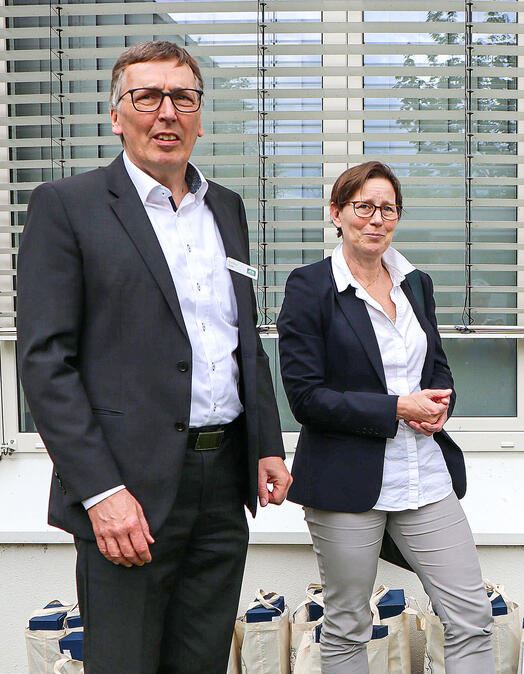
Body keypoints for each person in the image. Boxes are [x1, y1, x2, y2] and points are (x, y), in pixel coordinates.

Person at [16, 41, 292, 673]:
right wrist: (100, 491)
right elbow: (45, 363)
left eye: (183, 98)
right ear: (117, 115)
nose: (166, 112)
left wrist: (266, 442)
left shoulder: (226, 207)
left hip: (222, 483)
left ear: (199, 115)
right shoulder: (68, 207)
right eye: (148, 97)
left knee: (201, 663)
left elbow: (240, 335)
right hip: (127, 490)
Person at [276, 161, 493, 672]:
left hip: (424, 474)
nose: (377, 219)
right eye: (364, 207)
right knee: (349, 624)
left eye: (388, 209)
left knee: (471, 617)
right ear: (337, 213)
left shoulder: (415, 283)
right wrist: (397, 407)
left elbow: (436, 368)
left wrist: (439, 408)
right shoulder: (311, 287)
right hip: (346, 479)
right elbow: (305, 397)